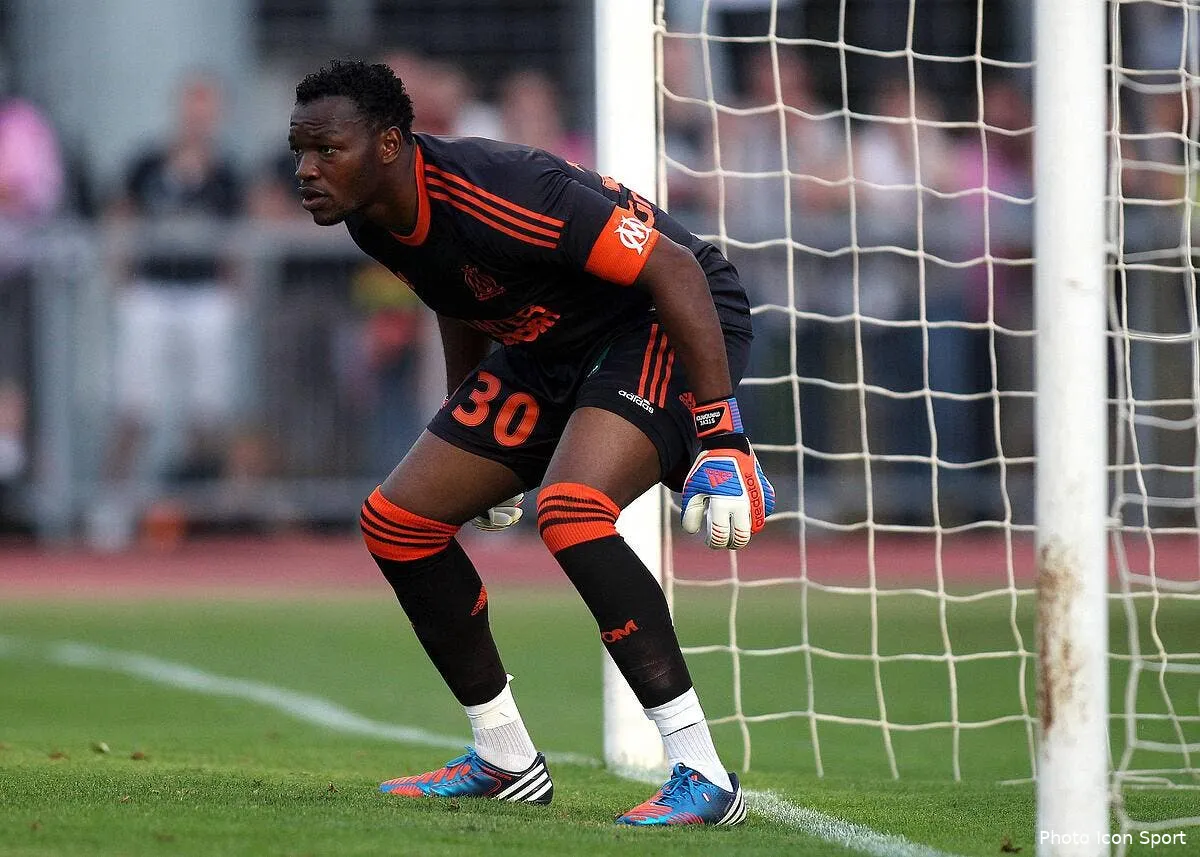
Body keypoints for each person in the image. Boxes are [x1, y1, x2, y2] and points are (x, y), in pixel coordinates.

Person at [288, 59, 774, 825]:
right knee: (398, 522)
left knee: (573, 512)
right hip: (551, 344)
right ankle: (505, 755)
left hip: (657, 318)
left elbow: (674, 268)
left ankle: (702, 772)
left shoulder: (500, 190)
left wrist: (724, 432)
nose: (306, 170)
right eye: (298, 151)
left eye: (325, 149)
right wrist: (469, 430)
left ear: (388, 144)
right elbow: (457, 294)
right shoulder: (372, 213)